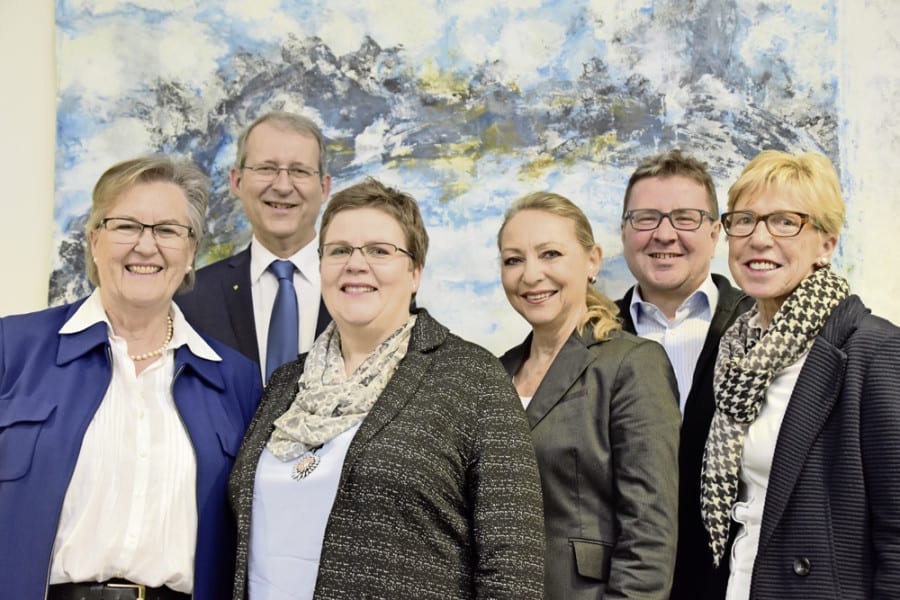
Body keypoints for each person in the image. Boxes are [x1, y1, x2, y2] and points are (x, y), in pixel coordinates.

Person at [229, 178, 545, 599]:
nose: (356, 264)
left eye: (379, 251)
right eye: (339, 250)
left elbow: (513, 569)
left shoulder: (473, 380)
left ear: (415, 271)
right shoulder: (286, 385)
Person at [0, 156, 263, 599]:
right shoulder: (14, 348)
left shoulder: (235, 379)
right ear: (94, 239)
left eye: (167, 230)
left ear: (191, 249)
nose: (146, 246)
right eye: (126, 226)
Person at [701, 150, 900, 599]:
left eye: (785, 222)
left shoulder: (874, 351)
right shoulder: (735, 355)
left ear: (826, 244)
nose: (759, 239)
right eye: (745, 220)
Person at [497, 191, 680, 599]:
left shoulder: (632, 364)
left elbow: (649, 535)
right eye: (513, 260)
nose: (530, 275)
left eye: (550, 254)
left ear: (593, 260)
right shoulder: (494, 373)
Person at [615, 149, 753, 599]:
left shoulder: (762, 329)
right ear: (623, 232)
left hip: (737, 581)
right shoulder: (588, 338)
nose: (664, 234)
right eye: (645, 218)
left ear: (716, 233)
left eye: (686, 218)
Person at [177, 111, 332, 383]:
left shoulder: (365, 287)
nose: (283, 186)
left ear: (324, 187)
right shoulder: (192, 296)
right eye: (266, 168)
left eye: (299, 171)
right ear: (236, 181)